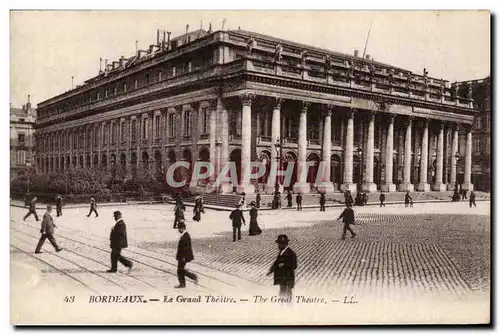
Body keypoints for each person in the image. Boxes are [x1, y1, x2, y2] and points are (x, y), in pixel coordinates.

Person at [267, 234, 297, 300]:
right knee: (282, 295)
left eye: (279, 244)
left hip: (287, 279)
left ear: (285, 244)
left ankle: (288, 308)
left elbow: (294, 266)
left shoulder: (291, 253)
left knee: (287, 296)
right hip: (282, 279)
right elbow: (277, 262)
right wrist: (271, 270)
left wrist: (284, 264)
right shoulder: (281, 252)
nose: (278, 246)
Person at [175, 220, 198, 288]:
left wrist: (184, 257)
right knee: (180, 270)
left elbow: (186, 248)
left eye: (179, 229)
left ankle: (191, 278)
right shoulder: (184, 235)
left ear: (182, 228)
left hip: (183, 257)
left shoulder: (186, 236)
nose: (179, 230)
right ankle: (184, 283)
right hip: (182, 256)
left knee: (180, 270)